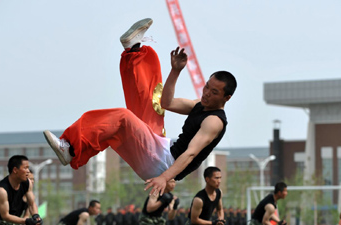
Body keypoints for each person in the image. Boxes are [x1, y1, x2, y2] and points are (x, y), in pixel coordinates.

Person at [43, 18, 237, 197]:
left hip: (163, 164)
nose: (206, 94)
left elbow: (191, 154)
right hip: (163, 148)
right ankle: (133, 50)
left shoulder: (214, 122)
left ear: (226, 98)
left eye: (214, 93)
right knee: (151, 104)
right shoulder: (199, 105)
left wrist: (165, 178)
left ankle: (68, 146)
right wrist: (175, 71)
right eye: (206, 87)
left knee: (122, 117)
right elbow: (166, 103)